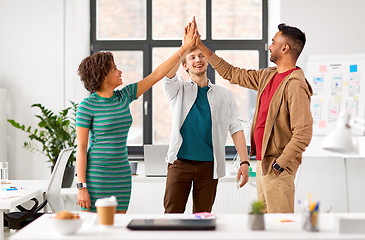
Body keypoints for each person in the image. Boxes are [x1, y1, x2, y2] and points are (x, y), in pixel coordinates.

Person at [75, 20, 197, 213]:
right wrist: (81, 186)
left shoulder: (124, 96)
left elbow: (157, 74)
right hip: (97, 176)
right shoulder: (87, 106)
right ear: (103, 74)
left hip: (122, 175)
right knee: (95, 228)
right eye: (115, 68)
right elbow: (81, 149)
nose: (120, 71)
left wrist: (184, 48)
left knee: (119, 226)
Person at [195, 21, 313, 213]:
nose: (270, 46)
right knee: (265, 223)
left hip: (276, 167)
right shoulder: (268, 75)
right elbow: (233, 74)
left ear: (285, 48)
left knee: (280, 225)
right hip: (264, 163)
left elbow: (303, 134)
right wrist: (201, 47)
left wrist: (279, 165)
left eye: (274, 42)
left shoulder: (295, 85)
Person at [163, 43, 250, 214]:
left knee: (203, 217)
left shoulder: (225, 95)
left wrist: (245, 161)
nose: (198, 60)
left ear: (207, 60)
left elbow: (236, 128)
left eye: (201, 55)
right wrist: (184, 46)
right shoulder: (177, 89)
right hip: (179, 163)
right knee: (171, 215)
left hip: (209, 166)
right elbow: (168, 74)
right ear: (185, 65)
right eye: (192, 57)